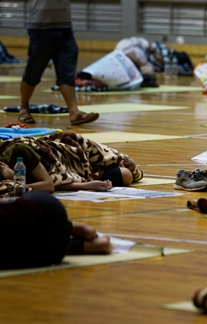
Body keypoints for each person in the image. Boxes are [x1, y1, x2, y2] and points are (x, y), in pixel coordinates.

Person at [18, 0, 99, 126]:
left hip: (65, 28)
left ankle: (74, 112)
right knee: (33, 72)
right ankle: (24, 108)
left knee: (67, 73)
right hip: (40, 28)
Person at [0, 190, 111, 270]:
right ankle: (72, 228)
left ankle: (85, 244)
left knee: (21, 244)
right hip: (44, 208)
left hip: (52, 250)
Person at [0, 132, 142, 194]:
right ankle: (96, 174)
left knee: (130, 166)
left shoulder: (19, 151)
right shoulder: (6, 180)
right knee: (125, 175)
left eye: (14, 176)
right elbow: (55, 183)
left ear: (3, 164)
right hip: (70, 173)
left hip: (70, 154)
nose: (18, 180)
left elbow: (48, 185)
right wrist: (87, 185)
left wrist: (20, 188)